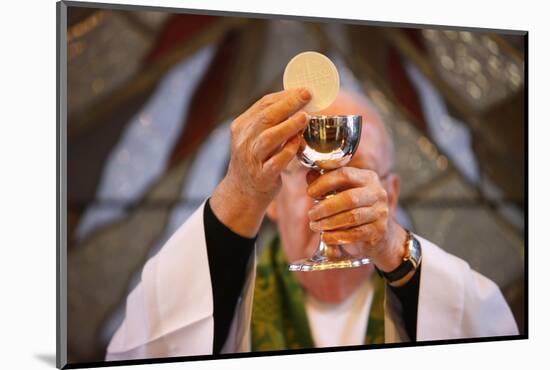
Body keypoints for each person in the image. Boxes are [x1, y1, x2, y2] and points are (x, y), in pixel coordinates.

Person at [105, 88, 518, 361]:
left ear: (390, 197)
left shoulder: (434, 293)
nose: (330, 195)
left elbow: (492, 340)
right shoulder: (224, 297)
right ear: (270, 201)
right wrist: (239, 192)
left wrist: (393, 245)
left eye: (357, 173)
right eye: (308, 174)